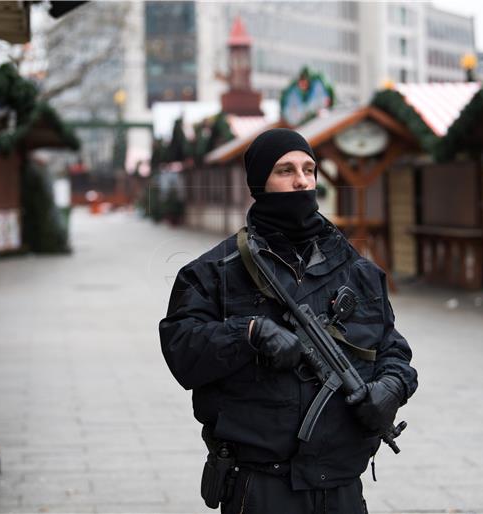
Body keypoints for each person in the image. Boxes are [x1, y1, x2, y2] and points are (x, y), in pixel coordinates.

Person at [159, 128, 417, 514]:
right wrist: (248, 333)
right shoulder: (214, 271)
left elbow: (392, 348)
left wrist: (392, 387)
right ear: (259, 183)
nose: (301, 180)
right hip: (260, 486)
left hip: (342, 486)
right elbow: (182, 348)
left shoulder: (355, 269)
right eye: (285, 170)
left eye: (309, 169)